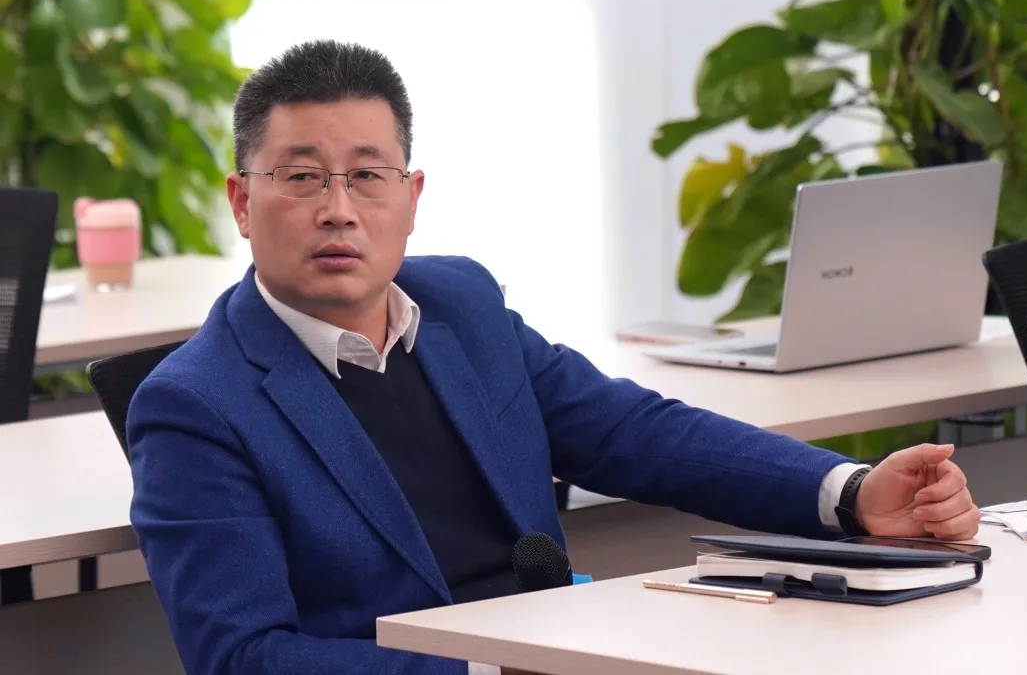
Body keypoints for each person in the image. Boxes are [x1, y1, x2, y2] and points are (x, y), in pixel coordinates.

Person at [126, 40, 980, 675]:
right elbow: (243, 657)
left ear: (412, 198)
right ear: (242, 201)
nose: (339, 209)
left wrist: (850, 492)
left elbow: (638, 433)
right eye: (302, 177)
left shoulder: (461, 304)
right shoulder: (196, 405)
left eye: (368, 175)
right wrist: (495, 669)